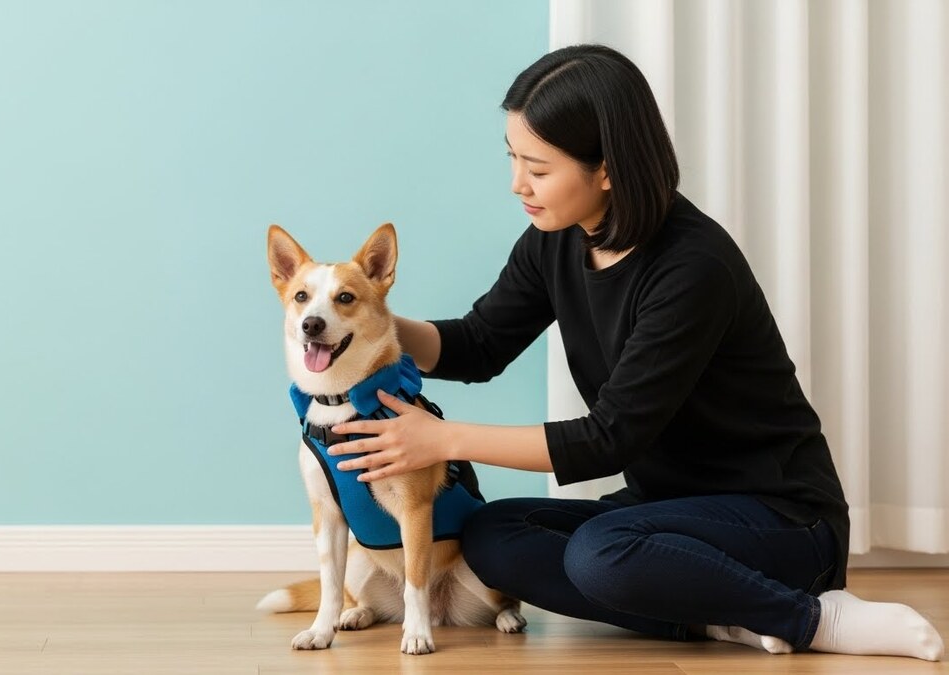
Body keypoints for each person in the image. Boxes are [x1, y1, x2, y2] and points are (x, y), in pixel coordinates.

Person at [324, 44, 944, 661]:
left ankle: (810, 617)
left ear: (606, 170)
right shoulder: (556, 239)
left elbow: (607, 439)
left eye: (537, 169)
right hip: (666, 510)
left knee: (601, 555)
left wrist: (442, 440)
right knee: (491, 535)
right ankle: (718, 618)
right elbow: (479, 344)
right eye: (513, 158)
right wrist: (358, 314)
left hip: (780, 519)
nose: (518, 184)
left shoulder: (692, 267)